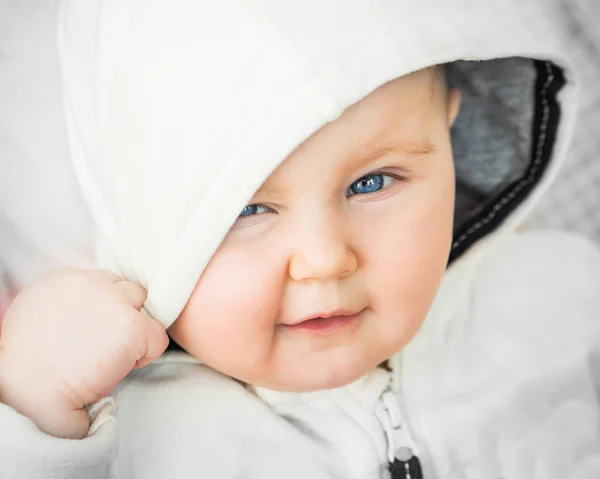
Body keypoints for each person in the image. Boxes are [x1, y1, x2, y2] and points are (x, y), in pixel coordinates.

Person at [1, 0, 600, 478]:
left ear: (450, 127)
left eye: (372, 182)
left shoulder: (562, 291)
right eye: (246, 208)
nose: (324, 261)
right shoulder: (116, 434)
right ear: (135, 222)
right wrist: (32, 407)